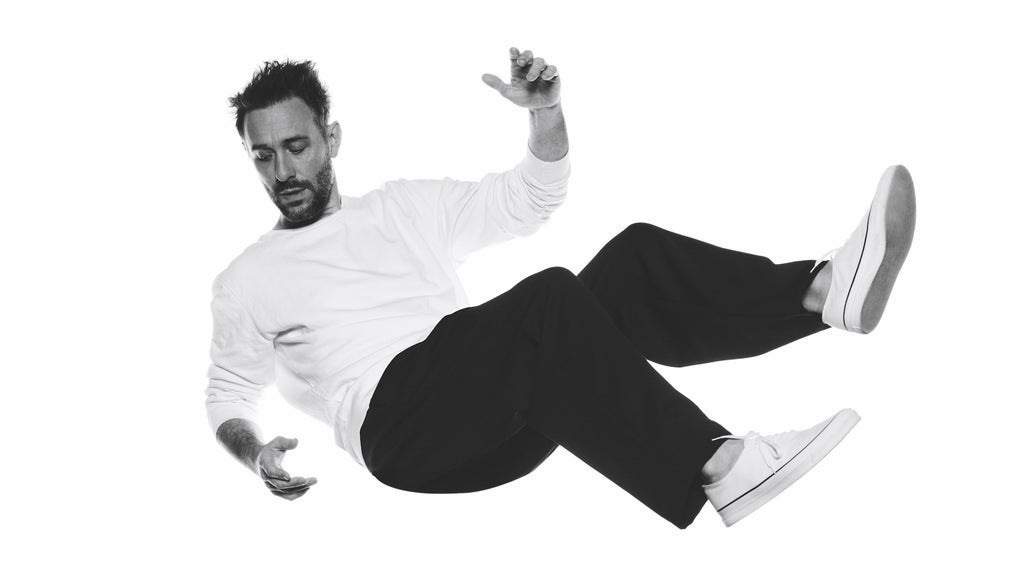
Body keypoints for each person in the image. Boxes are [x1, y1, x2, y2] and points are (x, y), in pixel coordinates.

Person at [205, 47, 916, 529]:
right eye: (262, 156)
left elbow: (530, 199)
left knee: (633, 262)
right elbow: (228, 394)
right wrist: (254, 453)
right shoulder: (249, 278)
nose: (282, 172)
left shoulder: (404, 206)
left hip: (501, 412)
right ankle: (724, 463)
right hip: (399, 429)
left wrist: (545, 115)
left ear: (331, 138)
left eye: (295, 147)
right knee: (545, 303)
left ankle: (822, 292)